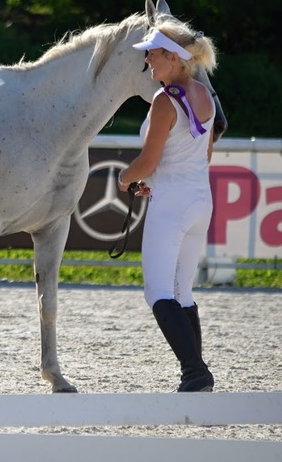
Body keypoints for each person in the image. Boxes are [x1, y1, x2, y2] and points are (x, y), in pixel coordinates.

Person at [118, 20, 218, 392]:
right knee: (182, 292)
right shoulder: (205, 94)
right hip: (199, 200)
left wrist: (126, 178)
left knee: (158, 292)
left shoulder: (164, 101)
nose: (148, 60)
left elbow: (148, 161)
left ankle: (195, 372)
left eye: (153, 54)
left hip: (172, 205)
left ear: (173, 58)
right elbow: (203, 153)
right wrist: (156, 180)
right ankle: (196, 372)